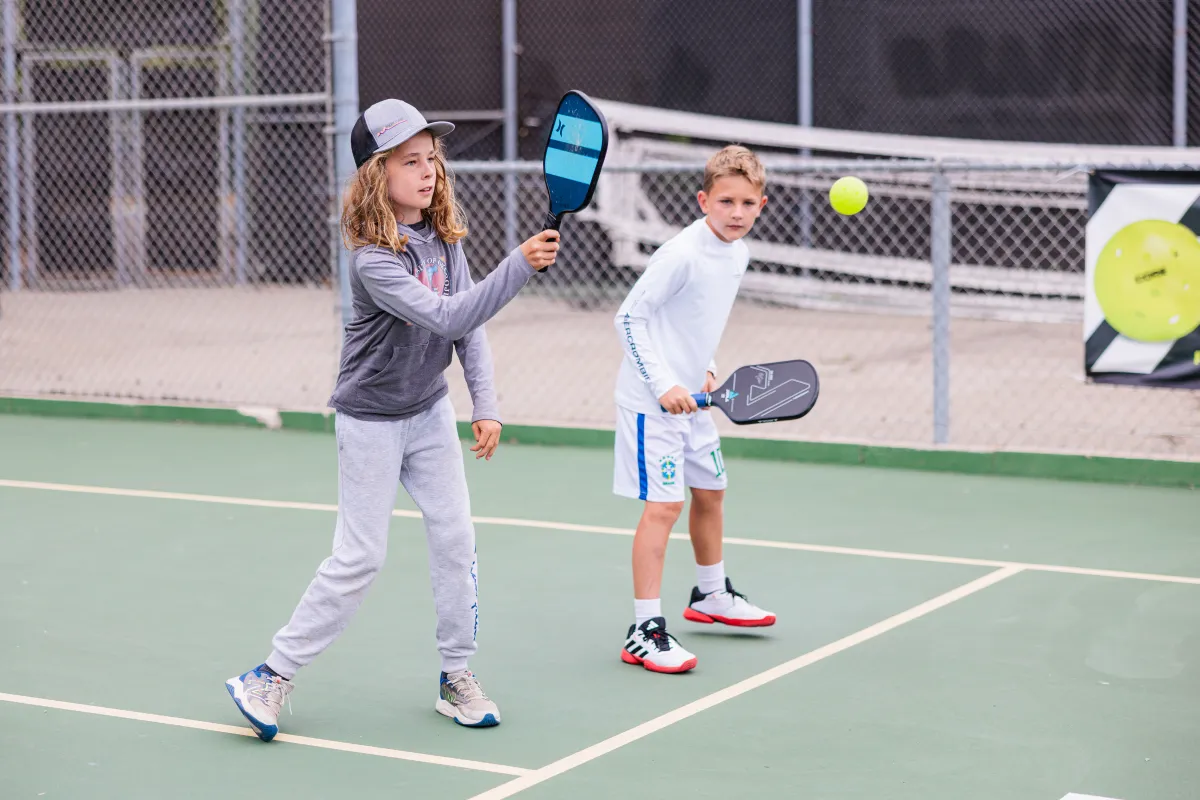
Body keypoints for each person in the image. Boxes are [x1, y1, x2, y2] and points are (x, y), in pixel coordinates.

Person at [226, 98, 559, 738]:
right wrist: (519, 264)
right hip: (371, 420)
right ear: (379, 175)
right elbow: (449, 316)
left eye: (431, 158)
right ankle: (269, 675)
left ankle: (455, 675)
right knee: (360, 558)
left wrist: (484, 405)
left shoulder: (445, 241)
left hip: (428, 411)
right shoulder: (373, 261)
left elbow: (471, 330)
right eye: (410, 161)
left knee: (457, 539)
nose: (428, 170)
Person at [612, 144, 776, 674]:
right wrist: (662, 384)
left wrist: (706, 364)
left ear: (762, 205)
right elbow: (629, 320)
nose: (736, 213)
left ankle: (710, 596)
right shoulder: (681, 253)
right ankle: (643, 629)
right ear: (703, 200)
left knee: (712, 490)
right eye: (726, 201)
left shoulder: (738, 253)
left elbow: (698, 320)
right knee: (664, 507)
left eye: (747, 203)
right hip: (650, 402)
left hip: (693, 400)